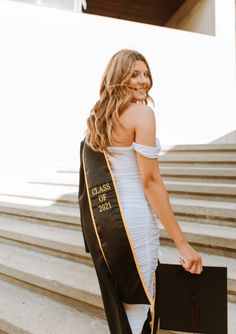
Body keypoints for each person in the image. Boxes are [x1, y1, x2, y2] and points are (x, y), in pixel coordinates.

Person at [78, 49, 203, 334]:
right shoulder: (142, 113)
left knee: (125, 305)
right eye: (134, 73)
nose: (143, 81)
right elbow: (151, 182)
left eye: (146, 74)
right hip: (133, 222)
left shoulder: (97, 118)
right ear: (118, 76)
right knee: (140, 305)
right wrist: (182, 243)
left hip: (108, 225)